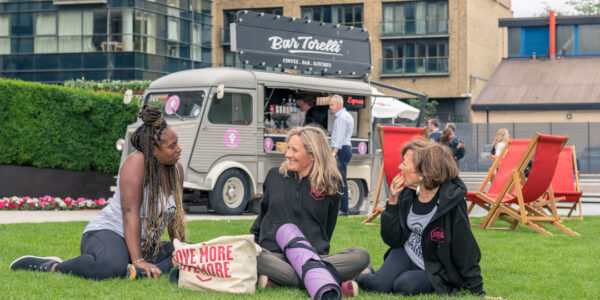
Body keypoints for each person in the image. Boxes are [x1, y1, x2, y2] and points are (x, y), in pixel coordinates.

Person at [10, 105, 186, 280]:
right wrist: (139, 259)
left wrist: (181, 248)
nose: (179, 150)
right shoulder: (137, 162)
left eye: (177, 144)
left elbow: (174, 216)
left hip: (145, 244)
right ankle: (51, 266)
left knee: (194, 252)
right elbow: (129, 212)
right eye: (172, 146)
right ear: (154, 150)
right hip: (110, 233)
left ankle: (139, 272)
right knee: (109, 266)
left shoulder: (176, 169)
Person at [356, 139, 486, 296]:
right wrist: (392, 202)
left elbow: (465, 247)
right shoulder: (406, 195)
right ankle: (363, 273)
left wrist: (478, 290)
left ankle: (389, 276)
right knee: (378, 285)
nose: (400, 167)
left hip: (434, 265)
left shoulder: (451, 203)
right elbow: (392, 240)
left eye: (405, 164)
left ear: (423, 173)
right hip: (405, 252)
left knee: (404, 285)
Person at [250, 125, 369, 295]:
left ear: (312, 155)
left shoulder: (331, 183)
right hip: (274, 256)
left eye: (294, 150)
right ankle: (324, 280)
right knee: (251, 255)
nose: (287, 154)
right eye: (288, 148)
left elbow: (328, 228)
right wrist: (250, 244)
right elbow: (262, 216)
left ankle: (281, 279)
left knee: (361, 255)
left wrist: (309, 257)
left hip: (312, 257)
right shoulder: (274, 176)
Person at [329, 94, 354, 215]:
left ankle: (343, 208)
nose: (330, 107)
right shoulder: (346, 116)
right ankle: (342, 207)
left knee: (340, 179)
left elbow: (338, 139)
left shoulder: (341, 118)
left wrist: (333, 154)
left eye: (332, 105)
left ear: (339, 105)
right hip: (345, 148)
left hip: (341, 149)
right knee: (340, 178)